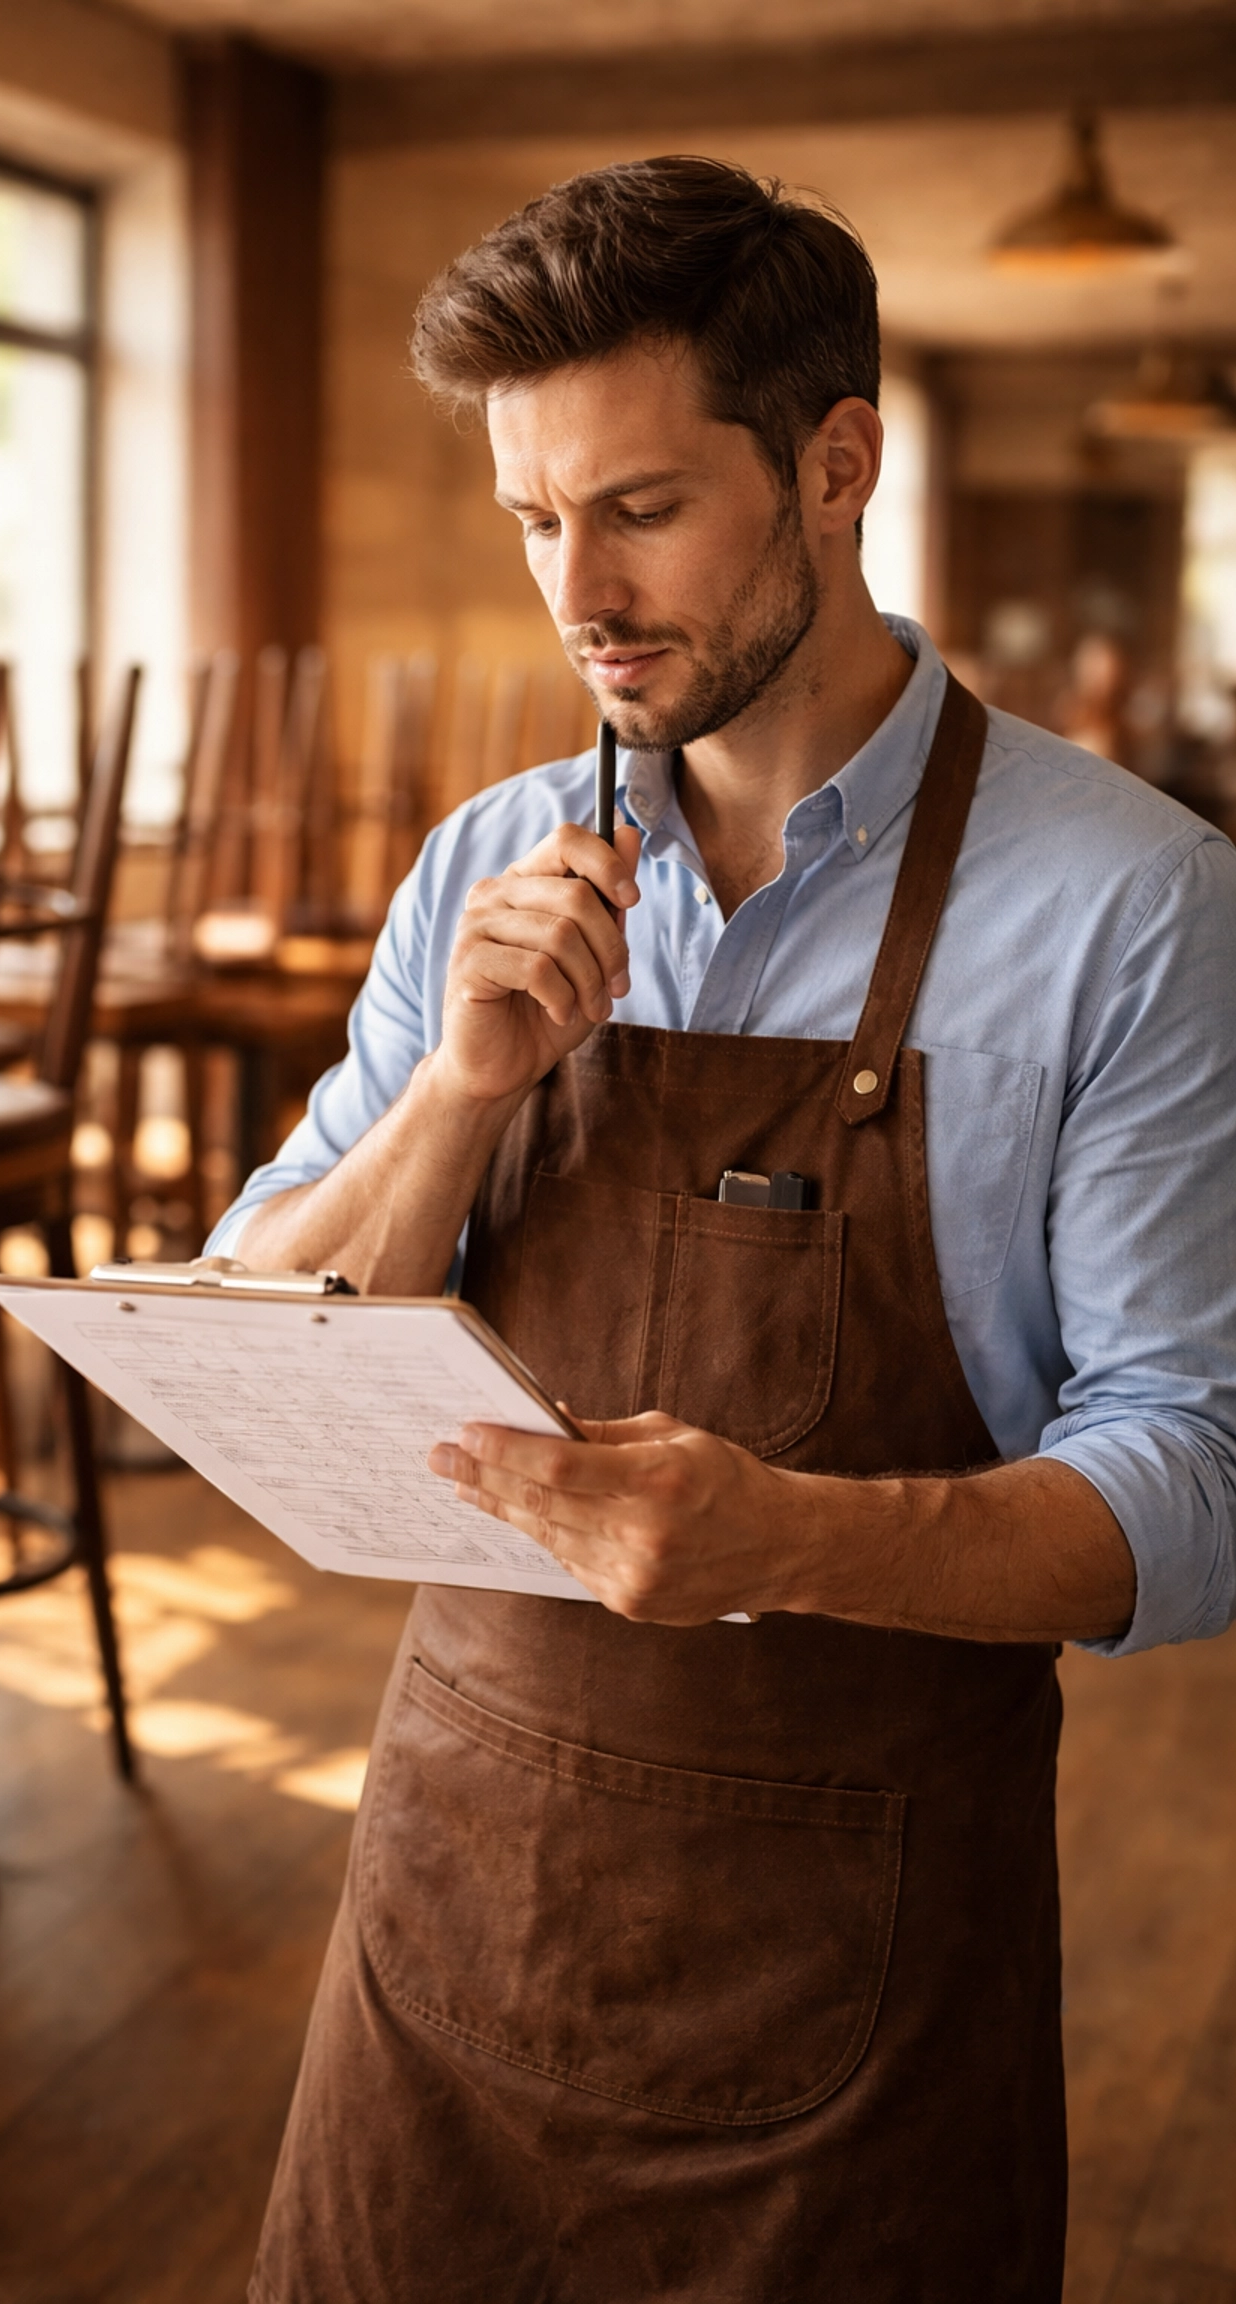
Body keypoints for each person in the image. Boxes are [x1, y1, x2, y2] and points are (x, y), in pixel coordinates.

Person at [211, 158, 1236, 2302]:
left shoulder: (1136, 906)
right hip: (446, 1898)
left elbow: (1203, 1470)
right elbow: (259, 1318)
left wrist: (792, 1541)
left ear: (838, 463)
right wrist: (455, 1095)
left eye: (644, 505)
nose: (576, 589)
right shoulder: (485, 854)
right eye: (531, 518)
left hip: (865, 1988)